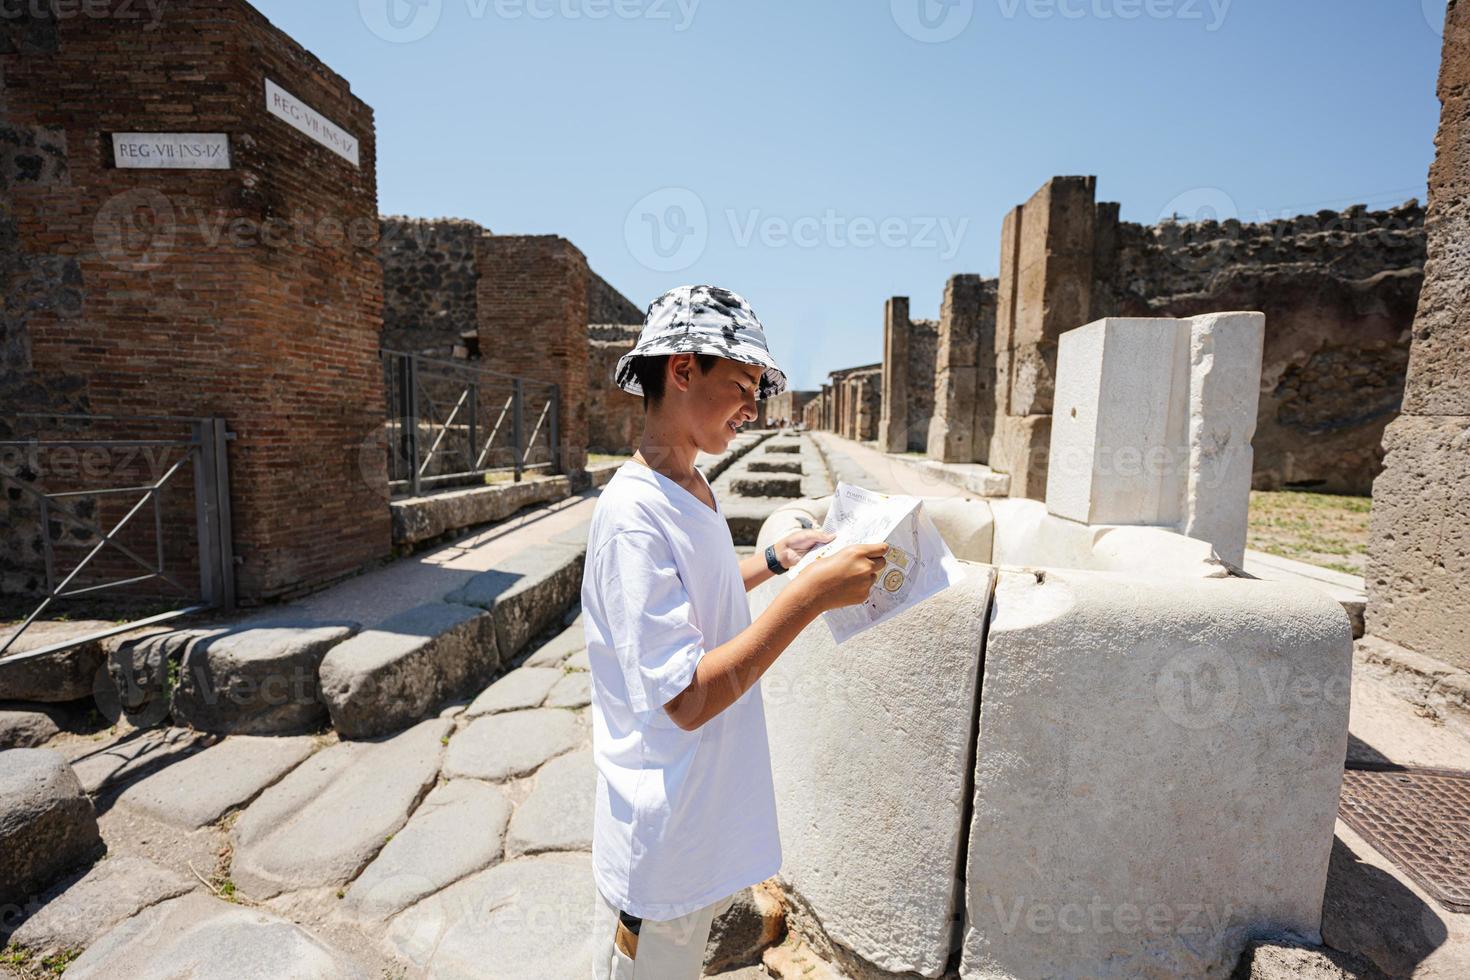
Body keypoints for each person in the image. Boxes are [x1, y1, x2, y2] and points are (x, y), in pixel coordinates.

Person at [585, 284, 887, 979]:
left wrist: (776, 562)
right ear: (683, 370)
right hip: (660, 834)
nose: (754, 407)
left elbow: (701, 589)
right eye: (743, 385)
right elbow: (686, 698)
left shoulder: (691, 486)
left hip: (696, 813)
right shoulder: (634, 518)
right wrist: (806, 600)